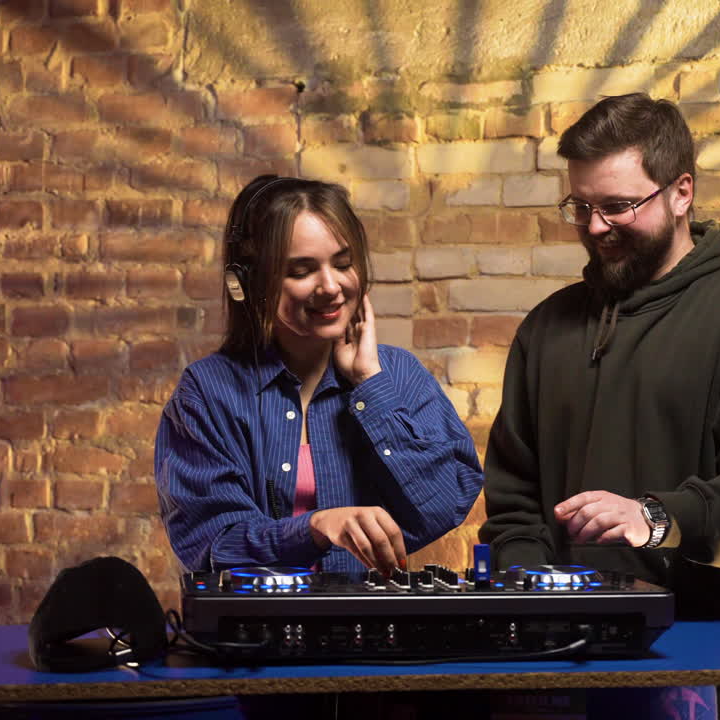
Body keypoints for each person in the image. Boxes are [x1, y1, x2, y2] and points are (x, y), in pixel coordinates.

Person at [478, 93, 720, 719]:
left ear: (681, 193)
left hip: (714, 677)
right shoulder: (545, 330)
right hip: (566, 676)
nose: (594, 227)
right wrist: (535, 597)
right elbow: (513, 505)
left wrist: (659, 518)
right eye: (580, 207)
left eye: (617, 206)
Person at [156, 175, 482, 579]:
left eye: (343, 264)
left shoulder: (397, 374)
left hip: (367, 616)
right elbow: (211, 543)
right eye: (301, 271)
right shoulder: (207, 392)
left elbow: (444, 505)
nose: (330, 287)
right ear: (248, 284)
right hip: (258, 620)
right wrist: (315, 527)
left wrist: (370, 385)